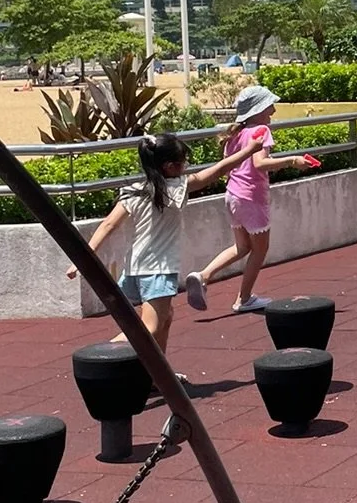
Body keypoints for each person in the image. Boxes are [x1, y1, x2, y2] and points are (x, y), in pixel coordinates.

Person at [69, 133, 245, 352]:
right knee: (149, 328)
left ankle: (158, 376)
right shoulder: (176, 188)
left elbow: (108, 225)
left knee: (166, 317)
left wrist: (82, 257)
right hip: (158, 270)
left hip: (135, 268)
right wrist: (250, 149)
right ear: (170, 167)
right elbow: (218, 170)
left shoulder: (135, 191)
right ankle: (104, 352)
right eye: (183, 162)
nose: (186, 166)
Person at [185, 84, 317, 315]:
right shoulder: (261, 132)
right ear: (258, 110)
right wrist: (292, 160)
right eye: (269, 106)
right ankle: (243, 299)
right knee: (260, 249)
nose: (273, 111)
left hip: (233, 195)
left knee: (242, 246)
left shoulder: (235, 134)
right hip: (251, 198)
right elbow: (259, 164)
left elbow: (242, 164)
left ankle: (203, 275)